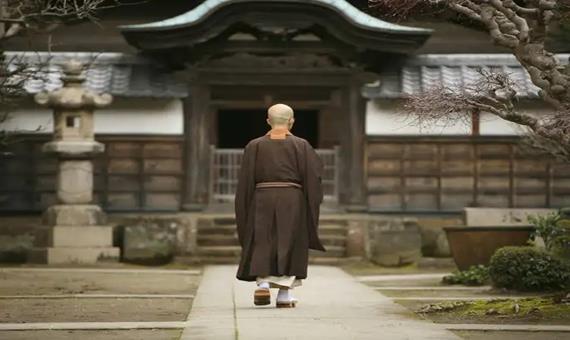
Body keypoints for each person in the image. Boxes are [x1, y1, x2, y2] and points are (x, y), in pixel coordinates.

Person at [235, 103, 326, 308]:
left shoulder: (254, 145)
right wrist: (309, 201)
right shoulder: (302, 145)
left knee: (262, 239)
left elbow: (245, 181)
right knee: (290, 241)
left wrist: (246, 206)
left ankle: (264, 284)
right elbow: (313, 177)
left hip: (262, 197)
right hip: (291, 199)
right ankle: (284, 296)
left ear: (268, 121)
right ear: (291, 121)